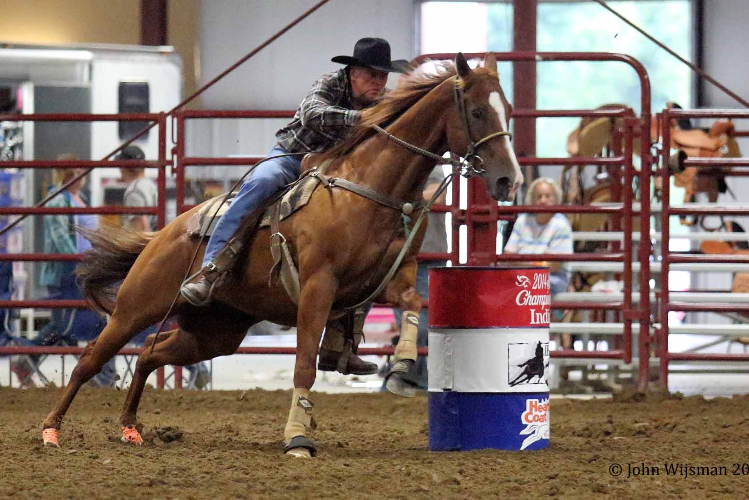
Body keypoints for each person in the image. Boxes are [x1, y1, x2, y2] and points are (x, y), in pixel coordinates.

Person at [179, 38, 408, 376]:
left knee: (367, 245)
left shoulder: (384, 103)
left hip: (339, 171)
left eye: (382, 76)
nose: (378, 82)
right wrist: (365, 118)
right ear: (354, 72)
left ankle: (341, 344)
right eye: (371, 75)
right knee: (259, 183)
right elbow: (314, 114)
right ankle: (211, 268)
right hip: (294, 156)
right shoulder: (330, 84)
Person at [116, 145, 211, 389]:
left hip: (153, 257)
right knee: (169, 313)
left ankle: (105, 375)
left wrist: (138, 258)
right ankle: (195, 365)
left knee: (122, 316)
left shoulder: (134, 192)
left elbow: (141, 224)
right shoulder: (151, 186)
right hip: (171, 253)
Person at [25, 156, 116, 386]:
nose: (80, 174)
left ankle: (26, 357)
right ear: (66, 172)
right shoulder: (58, 199)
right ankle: (101, 374)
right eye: (76, 170)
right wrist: (77, 263)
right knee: (82, 322)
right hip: (69, 271)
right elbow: (60, 238)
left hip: (80, 269)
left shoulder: (77, 199)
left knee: (63, 324)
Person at [384, 167, 448, 391]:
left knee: (419, 324)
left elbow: (438, 193)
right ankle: (408, 377)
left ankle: (409, 377)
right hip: (402, 254)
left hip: (423, 255)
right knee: (412, 322)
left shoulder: (429, 164)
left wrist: (398, 199)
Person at [504, 177, 572, 296]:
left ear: (556, 200)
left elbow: (555, 265)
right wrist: (537, 263)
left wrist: (522, 262)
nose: (543, 200)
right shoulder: (522, 220)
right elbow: (507, 256)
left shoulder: (561, 224)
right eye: (538, 196)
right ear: (531, 200)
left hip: (551, 278)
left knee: (523, 289)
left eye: (547, 196)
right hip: (521, 276)